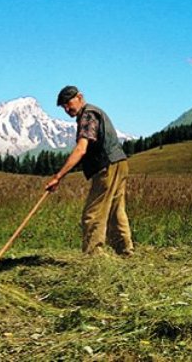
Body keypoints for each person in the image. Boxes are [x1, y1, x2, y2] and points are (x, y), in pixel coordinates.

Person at [45, 85, 134, 257]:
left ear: (79, 97)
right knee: (116, 211)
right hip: (119, 162)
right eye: (63, 106)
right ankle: (125, 251)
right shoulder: (93, 112)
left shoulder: (88, 115)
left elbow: (81, 149)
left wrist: (58, 177)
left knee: (92, 214)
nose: (66, 108)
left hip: (107, 165)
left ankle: (93, 257)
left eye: (68, 103)